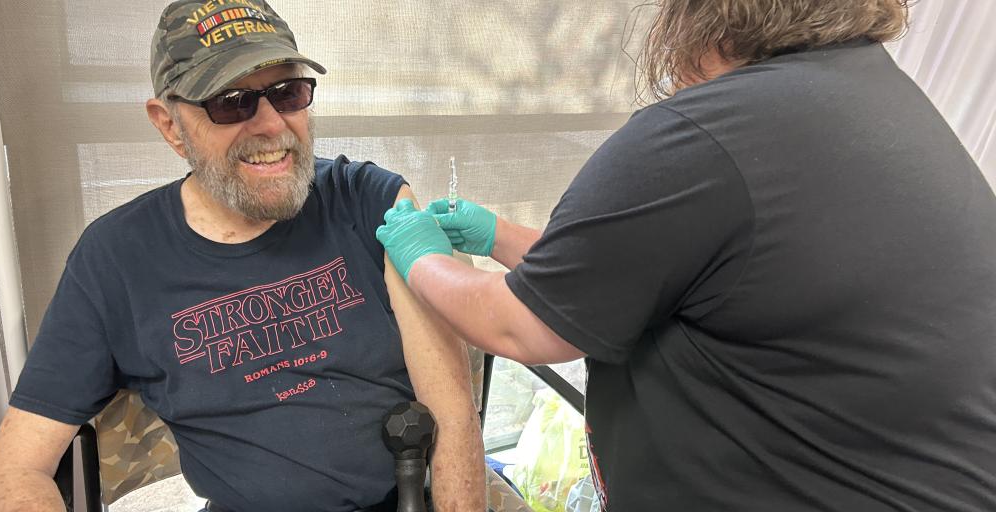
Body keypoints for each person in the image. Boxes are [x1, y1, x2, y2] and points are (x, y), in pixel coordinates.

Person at [375, 1, 996, 510]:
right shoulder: (865, 95)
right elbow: (639, 270)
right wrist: (498, 235)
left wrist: (421, 256)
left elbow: (519, 324)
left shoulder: (708, 132)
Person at [0, 1, 485, 511]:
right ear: (170, 125)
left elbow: (453, 412)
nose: (271, 126)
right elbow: (15, 470)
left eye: (288, 92)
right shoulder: (116, 260)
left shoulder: (371, 202)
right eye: (232, 101)